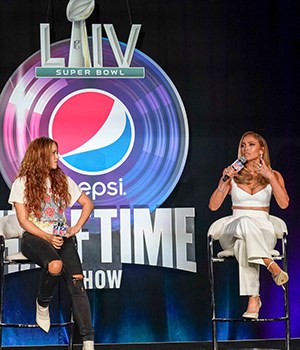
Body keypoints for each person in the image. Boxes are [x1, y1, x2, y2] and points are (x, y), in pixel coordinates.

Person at [8, 137, 95, 350]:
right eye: (53, 153)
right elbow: (23, 221)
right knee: (55, 266)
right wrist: (47, 237)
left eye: (57, 152)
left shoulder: (62, 179)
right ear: (41, 155)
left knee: (77, 281)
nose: (58, 156)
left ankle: (88, 341)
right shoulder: (22, 183)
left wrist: (74, 229)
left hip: (60, 237)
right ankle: (42, 303)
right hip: (34, 238)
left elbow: (88, 204)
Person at [208, 131, 289, 319]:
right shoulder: (234, 175)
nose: (246, 148)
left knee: (244, 245)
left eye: (251, 145)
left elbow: (284, 204)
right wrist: (224, 179)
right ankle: (270, 265)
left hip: (262, 231)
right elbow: (213, 206)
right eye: (243, 145)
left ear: (261, 149)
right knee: (244, 222)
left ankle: (254, 300)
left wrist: (270, 177)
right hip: (234, 228)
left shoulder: (274, 175)